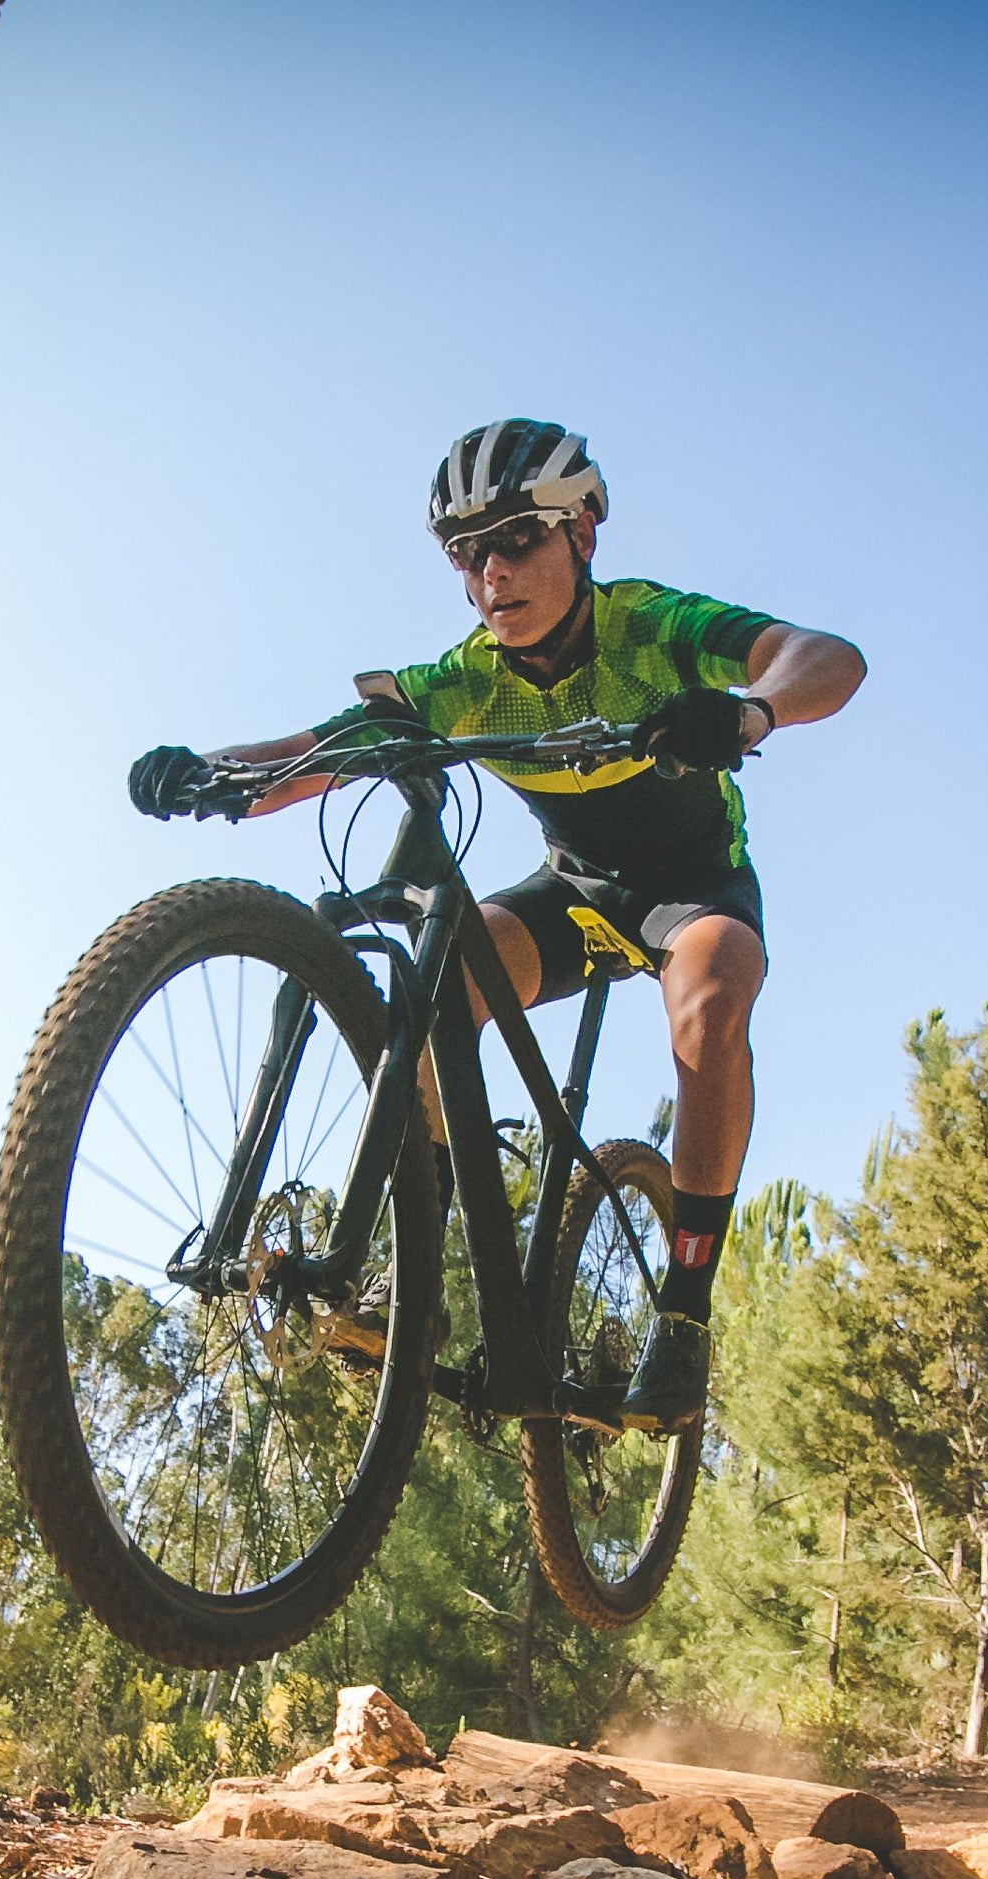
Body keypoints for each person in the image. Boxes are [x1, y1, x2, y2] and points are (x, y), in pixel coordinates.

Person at [123, 419, 864, 1431]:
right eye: (466, 555)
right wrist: (219, 774)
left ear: (583, 535)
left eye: (515, 539)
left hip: (694, 892)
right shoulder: (467, 675)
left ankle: (684, 1315)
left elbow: (822, 657)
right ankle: (411, 1282)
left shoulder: (649, 624)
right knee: (440, 993)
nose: (490, 575)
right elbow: (329, 747)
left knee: (710, 999)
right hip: (575, 889)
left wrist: (748, 714)